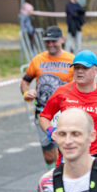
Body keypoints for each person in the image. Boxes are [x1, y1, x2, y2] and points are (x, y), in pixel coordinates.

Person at [39, 50, 97, 165]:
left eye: (84, 68)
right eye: (76, 68)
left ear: (96, 70)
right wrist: (51, 131)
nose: (79, 71)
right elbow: (44, 116)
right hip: (68, 159)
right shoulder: (62, 92)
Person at [20, 25, 75, 169]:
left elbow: (82, 83)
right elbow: (25, 82)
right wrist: (27, 92)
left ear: (62, 40)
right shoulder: (38, 60)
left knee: (65, 148)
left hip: (65, 113)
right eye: (47, 41)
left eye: (54, 41)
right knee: (49, 155)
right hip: (43, 113)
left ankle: (63, 181)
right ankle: (54, 177)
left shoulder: (72, 60)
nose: (50, 44)